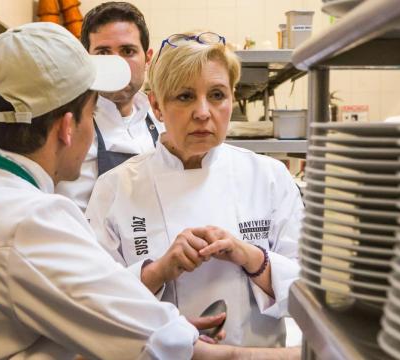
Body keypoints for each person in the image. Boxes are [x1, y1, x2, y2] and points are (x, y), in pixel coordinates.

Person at [0, 22, 247, 359]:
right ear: (66, 129)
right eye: (93, 114)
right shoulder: (33, 221)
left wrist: (155, 325)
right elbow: (165, 347)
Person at [86, 32, 303, 349]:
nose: (203, 112)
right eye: (185, 96)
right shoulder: (116, 188)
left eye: (217, 95)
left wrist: (251, 257)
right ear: (157, 107)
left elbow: (310, 292)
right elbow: (94, 304)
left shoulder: (269, 178)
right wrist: (158, 271)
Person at [55, 2, 161, 212]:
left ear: (147, 59)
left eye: (128, 51)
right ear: (87, 60)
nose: (117, 64)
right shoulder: (65, 125)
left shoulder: (161, 119)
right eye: (103, 53)